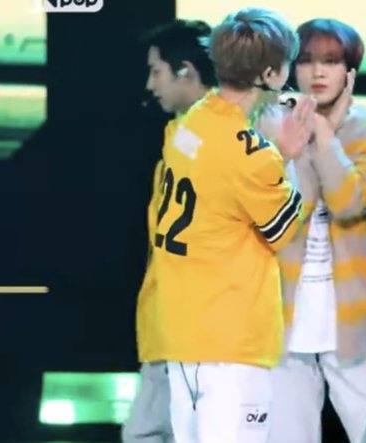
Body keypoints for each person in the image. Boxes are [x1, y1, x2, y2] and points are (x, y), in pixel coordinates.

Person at [144, 8, 317, 443]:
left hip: (181, 334)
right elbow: (285, 232)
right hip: (231, 342)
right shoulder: (252, 155)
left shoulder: (190, 122)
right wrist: (289, 156)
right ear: (272, 73)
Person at [265, 18, 366, 443]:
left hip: (355, 318)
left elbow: (347, 200)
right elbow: (288, 212)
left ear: (350, 72)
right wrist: (296, 143)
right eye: (306, 60)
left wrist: (324, 134)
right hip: (281, 314)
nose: (317, 72)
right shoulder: (268, 129)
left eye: (330, 61)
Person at [122, 19, 216, 443]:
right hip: (171, 324)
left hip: (198, 328)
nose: (149, 84)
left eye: (156, 71)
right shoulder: (179, 137)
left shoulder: (219, 139)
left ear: (185, 71)